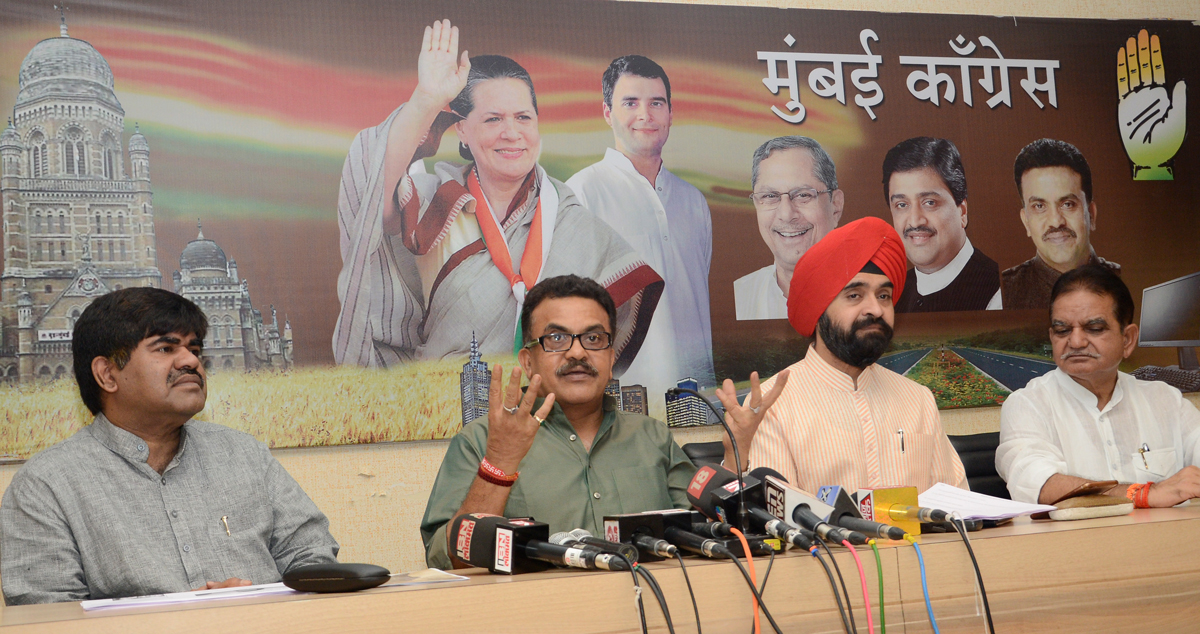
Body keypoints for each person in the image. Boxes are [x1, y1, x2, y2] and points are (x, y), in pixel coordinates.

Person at [334, 20, 662, 369]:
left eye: (523, 117)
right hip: (442, 409)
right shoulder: (436, 203)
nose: (512, 133)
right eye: (493, 120)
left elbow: (608, 324)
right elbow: (369, 190)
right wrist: (426, 100)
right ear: (461, 129)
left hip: (543, 413)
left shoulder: (568, 217)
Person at [0, 288, 338, 605]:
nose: (190, 361)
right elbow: (49, 615)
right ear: (107, 374)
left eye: (194, 349)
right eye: (166, 348)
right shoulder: (46, 486)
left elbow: (312, 555)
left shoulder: (244, 454)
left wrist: (259, 604)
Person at [420, 275, 710, 570]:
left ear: (611, 359)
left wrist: (736, 457)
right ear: (527, 361)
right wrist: (499, 463)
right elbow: (447, 558)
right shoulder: (481, 440)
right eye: (556, 338)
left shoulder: (652, 436)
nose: (577, 352)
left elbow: (700, 536)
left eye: (594, 338)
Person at [720, 217, 968, 493]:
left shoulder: (917, 399)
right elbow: (782, 520)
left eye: (884, 295)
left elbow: (958, 508)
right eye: (854, 295)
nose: (875, 309)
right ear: (818, 308)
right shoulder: (773, 407)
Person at [566, 54, 715, 401]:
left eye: (656, 103)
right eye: (630, 102)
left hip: (700, 406)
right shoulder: (581, 193)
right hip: (621, 407)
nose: (645, 115)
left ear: (671, 114)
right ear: (607, 112)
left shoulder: (694, 201)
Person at [996, 265, 1200, 506]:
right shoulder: (1027, 405)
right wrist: (1144, 493)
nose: (1076, 341)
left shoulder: (1166, 401)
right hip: (1076, 543)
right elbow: (1040, 485)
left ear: (1127, 339)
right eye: (1062, 330)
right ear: (1052, 337)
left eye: (1094, 329)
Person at [882, 137, 1001, 312]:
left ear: (962, 211)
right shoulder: (889, 294)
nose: (915, 221)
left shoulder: (1000, 291)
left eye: (929, 202)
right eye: (902, 205)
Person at [1002, 139, 1120, 310]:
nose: (1056, 221)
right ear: (1026, 221)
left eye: (1068, 204)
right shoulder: (1004, 293)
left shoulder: (1127, 281)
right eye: (1039, 206)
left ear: (1091, 215)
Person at [734, 136, 843, 320]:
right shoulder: (740, 296)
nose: (786, 214)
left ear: (835, 206)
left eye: (802, 195)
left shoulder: (877, 294)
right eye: (770, 196)